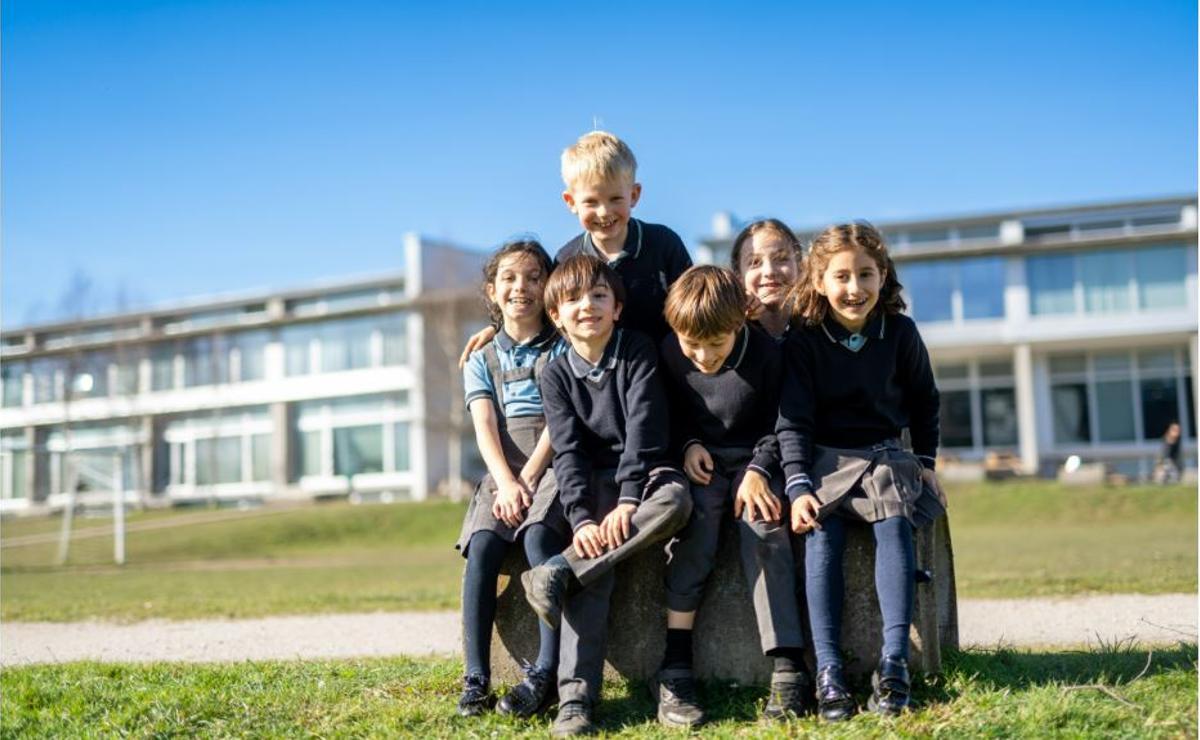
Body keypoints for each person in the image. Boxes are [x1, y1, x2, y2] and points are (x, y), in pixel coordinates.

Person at [777, 222, 946, 720]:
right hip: (824, 460)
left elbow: (925, 401)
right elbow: (793, 420)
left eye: (866, 274)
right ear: (819, 281)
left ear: (883, 275)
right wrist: (798, 485)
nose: (855, 288)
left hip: (884, 456)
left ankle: (894, 663)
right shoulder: (803, 339)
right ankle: (829, 671)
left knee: (895, 523)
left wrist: (927, 462)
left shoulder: (900, 332)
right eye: (842, 276)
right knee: (820, 535)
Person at [522, 254, 692, 736]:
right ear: (555, 315)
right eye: (573, 299)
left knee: (676, 501)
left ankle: (558, 569)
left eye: (599, 296)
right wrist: (581, 519)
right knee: (594, 551)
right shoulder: (554, 375)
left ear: (617, 308)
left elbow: (643, 430)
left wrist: (629, 500)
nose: (587, 306)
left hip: (646, 474)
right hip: (594, 482)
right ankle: (576, 699)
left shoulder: (637, 350)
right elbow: (568, 452)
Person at [654, 265, 813, 728]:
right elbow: (666, 413)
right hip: (703, 463)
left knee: (763, 526)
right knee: (697, 525)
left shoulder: (768, 354)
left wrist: (760, 469)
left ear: (740, 321)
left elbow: (783, 424)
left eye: (716, 344)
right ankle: (675, 666)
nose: (703, 357)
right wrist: (687, 444)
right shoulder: (669, 352)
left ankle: (788, 669)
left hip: (757, 462)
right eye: (692, 345)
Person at [457, 130, 692, 366]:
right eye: (591, 202)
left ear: (634, 195)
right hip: (595, 380)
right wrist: (498, 329)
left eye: (615, 199)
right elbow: (545, 314)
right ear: (571, 202)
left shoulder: (663, 243)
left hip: (664, 374)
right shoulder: (566, 260)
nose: (604, 212)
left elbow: (695, 307)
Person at [454, 239, 569, 718]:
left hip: (552, 464)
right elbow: (484, 426)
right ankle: (475, 678)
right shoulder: (481, 357)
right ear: (492, 290)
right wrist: (505, 482)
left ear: (549, 287)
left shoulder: (563, 346)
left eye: (534, 277)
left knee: (540, 540)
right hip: (502, 469)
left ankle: (545, 672)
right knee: (483, 548)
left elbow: (560, 421)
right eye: (509, 278)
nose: (521, 287)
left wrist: (530, 477)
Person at [729, 218, 804, 342]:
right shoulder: (728, 338)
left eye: (781, 258)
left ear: (800, 267)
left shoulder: (820, 331)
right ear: (739, 276)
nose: (769, 271)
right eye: (754, 262)